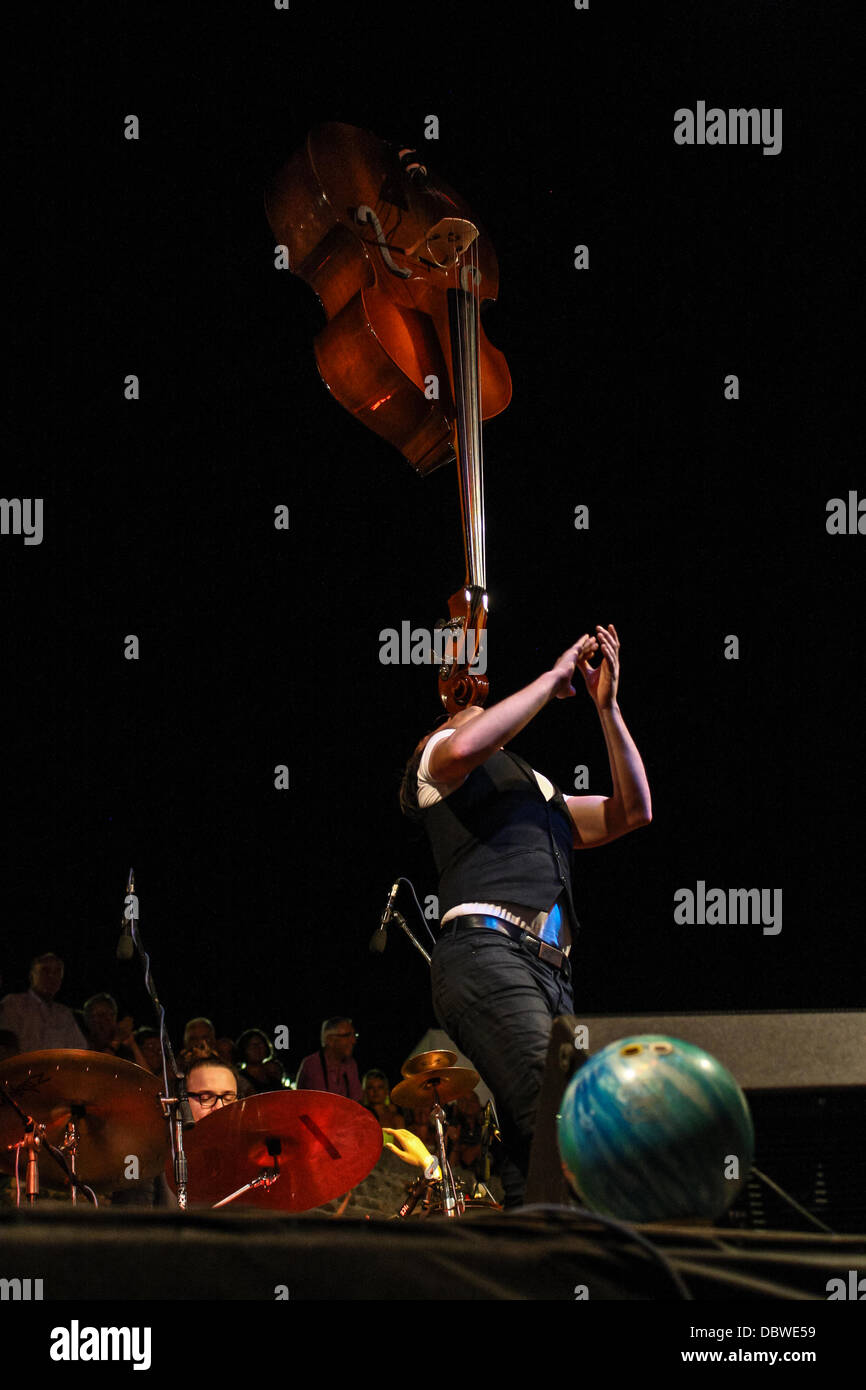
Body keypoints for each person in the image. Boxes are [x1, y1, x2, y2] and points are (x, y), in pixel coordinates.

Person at [399, 624, 651, 1207]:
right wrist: (552, 677)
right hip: (486, 952)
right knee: (559, 1111)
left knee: (526, 1146)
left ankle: (533, 1266)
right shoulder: (436, 756)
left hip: (551, 972)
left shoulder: (537, 791)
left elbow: (633, 809)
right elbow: (466, 745)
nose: (476, 700)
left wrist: (605, 707)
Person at [0, 953, 88, 1052]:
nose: (51, 976)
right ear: (32, 975)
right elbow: (6, 1043)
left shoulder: (64, 1014)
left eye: (57, 972)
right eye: (45, 970)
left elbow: (79, 1048)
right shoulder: (14, 1003)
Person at [295, 1017, 362, 1102]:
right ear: (330, 1039)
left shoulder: (351, 1065)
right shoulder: (312, 1064)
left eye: (354, 1035)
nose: (353, 1041)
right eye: (347, 1035)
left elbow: (357, 1101)